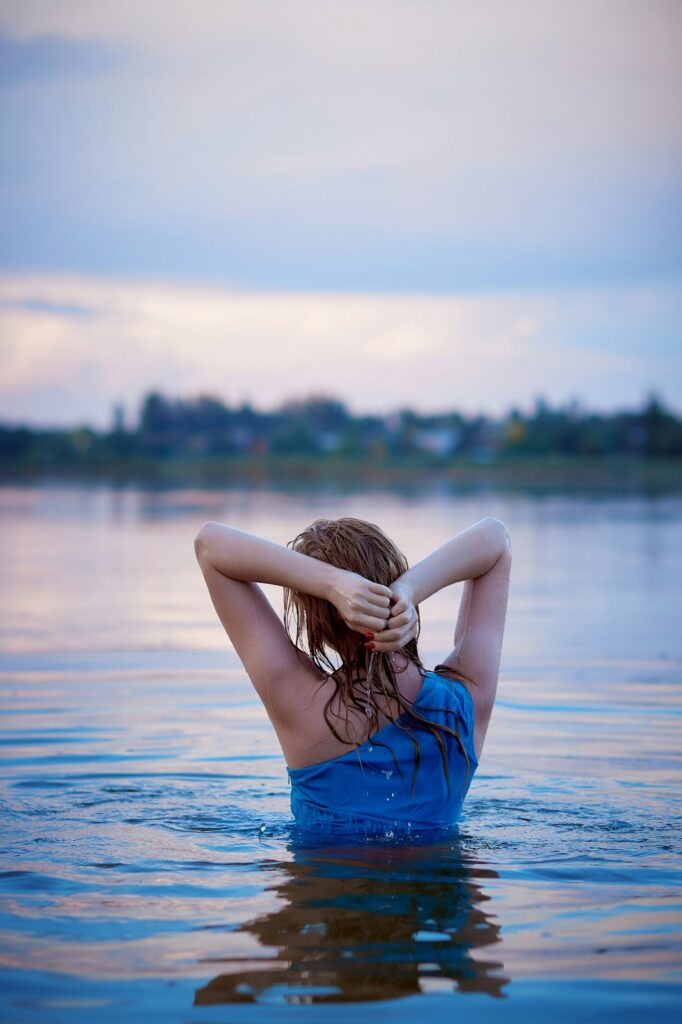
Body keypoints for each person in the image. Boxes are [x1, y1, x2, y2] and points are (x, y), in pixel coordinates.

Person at [194, 514, 511, 836]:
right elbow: (496, 540)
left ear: (313, 614)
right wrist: (408, 591)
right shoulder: (468, 697)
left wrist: (332, 583)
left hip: (325, 883)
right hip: (441, 883)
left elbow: (209, 545)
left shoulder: (298, 703)